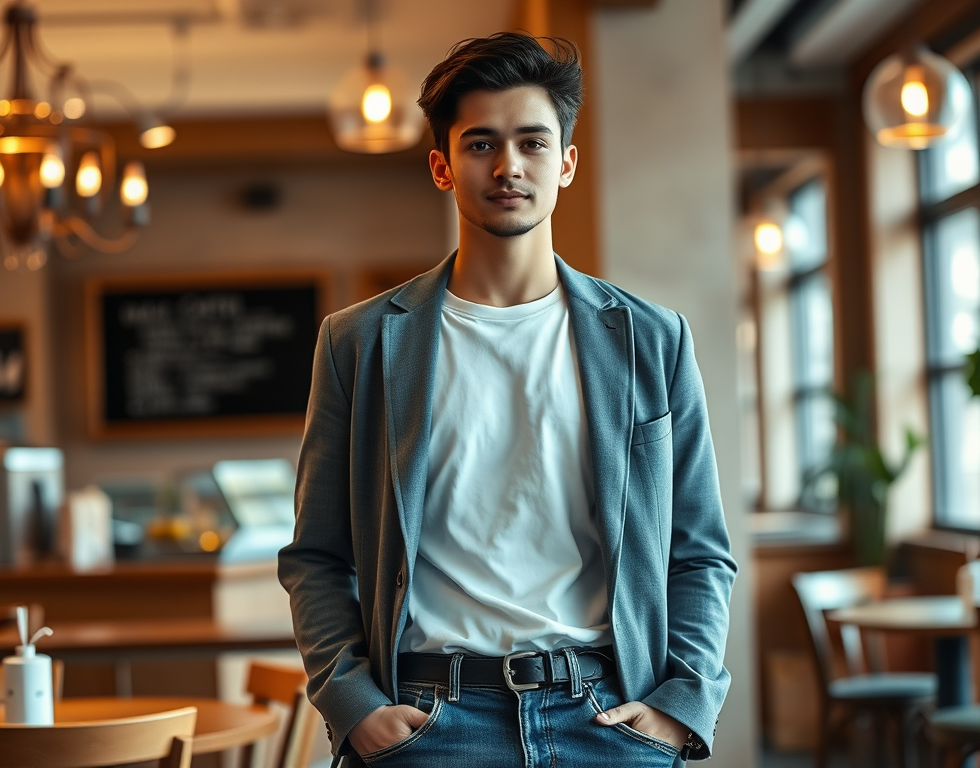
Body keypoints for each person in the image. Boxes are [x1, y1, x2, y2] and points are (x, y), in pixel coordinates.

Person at [279, 32, 736, 768]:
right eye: (481, 144)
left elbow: (700, 551)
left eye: (531, 142)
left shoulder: (653, 339)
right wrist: (351, 702)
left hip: (610, 717)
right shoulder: (359, 342)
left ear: (566, 162)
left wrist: (682, 703)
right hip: (428, 724)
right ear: (441, 165)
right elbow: (316, 555)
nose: (508, 167)